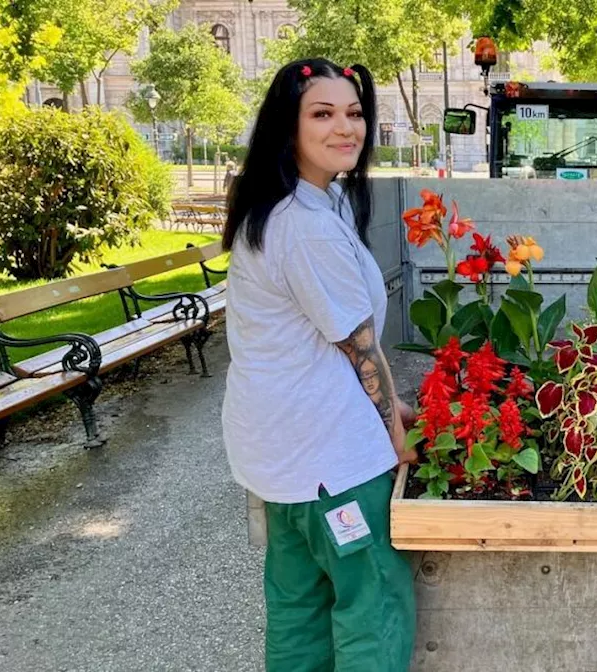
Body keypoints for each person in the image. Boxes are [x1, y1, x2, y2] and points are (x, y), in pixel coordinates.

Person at [220, 58, 418, 671]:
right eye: (323, 114)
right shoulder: (304, 226)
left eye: (354, 113)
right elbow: (358, 347)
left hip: (279, 462)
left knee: (298, 612)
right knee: (371, 607)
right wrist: (396, 431)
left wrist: (391, 404)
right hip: (330, 459)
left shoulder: (297, 203)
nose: (346, 128)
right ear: (289, 127)